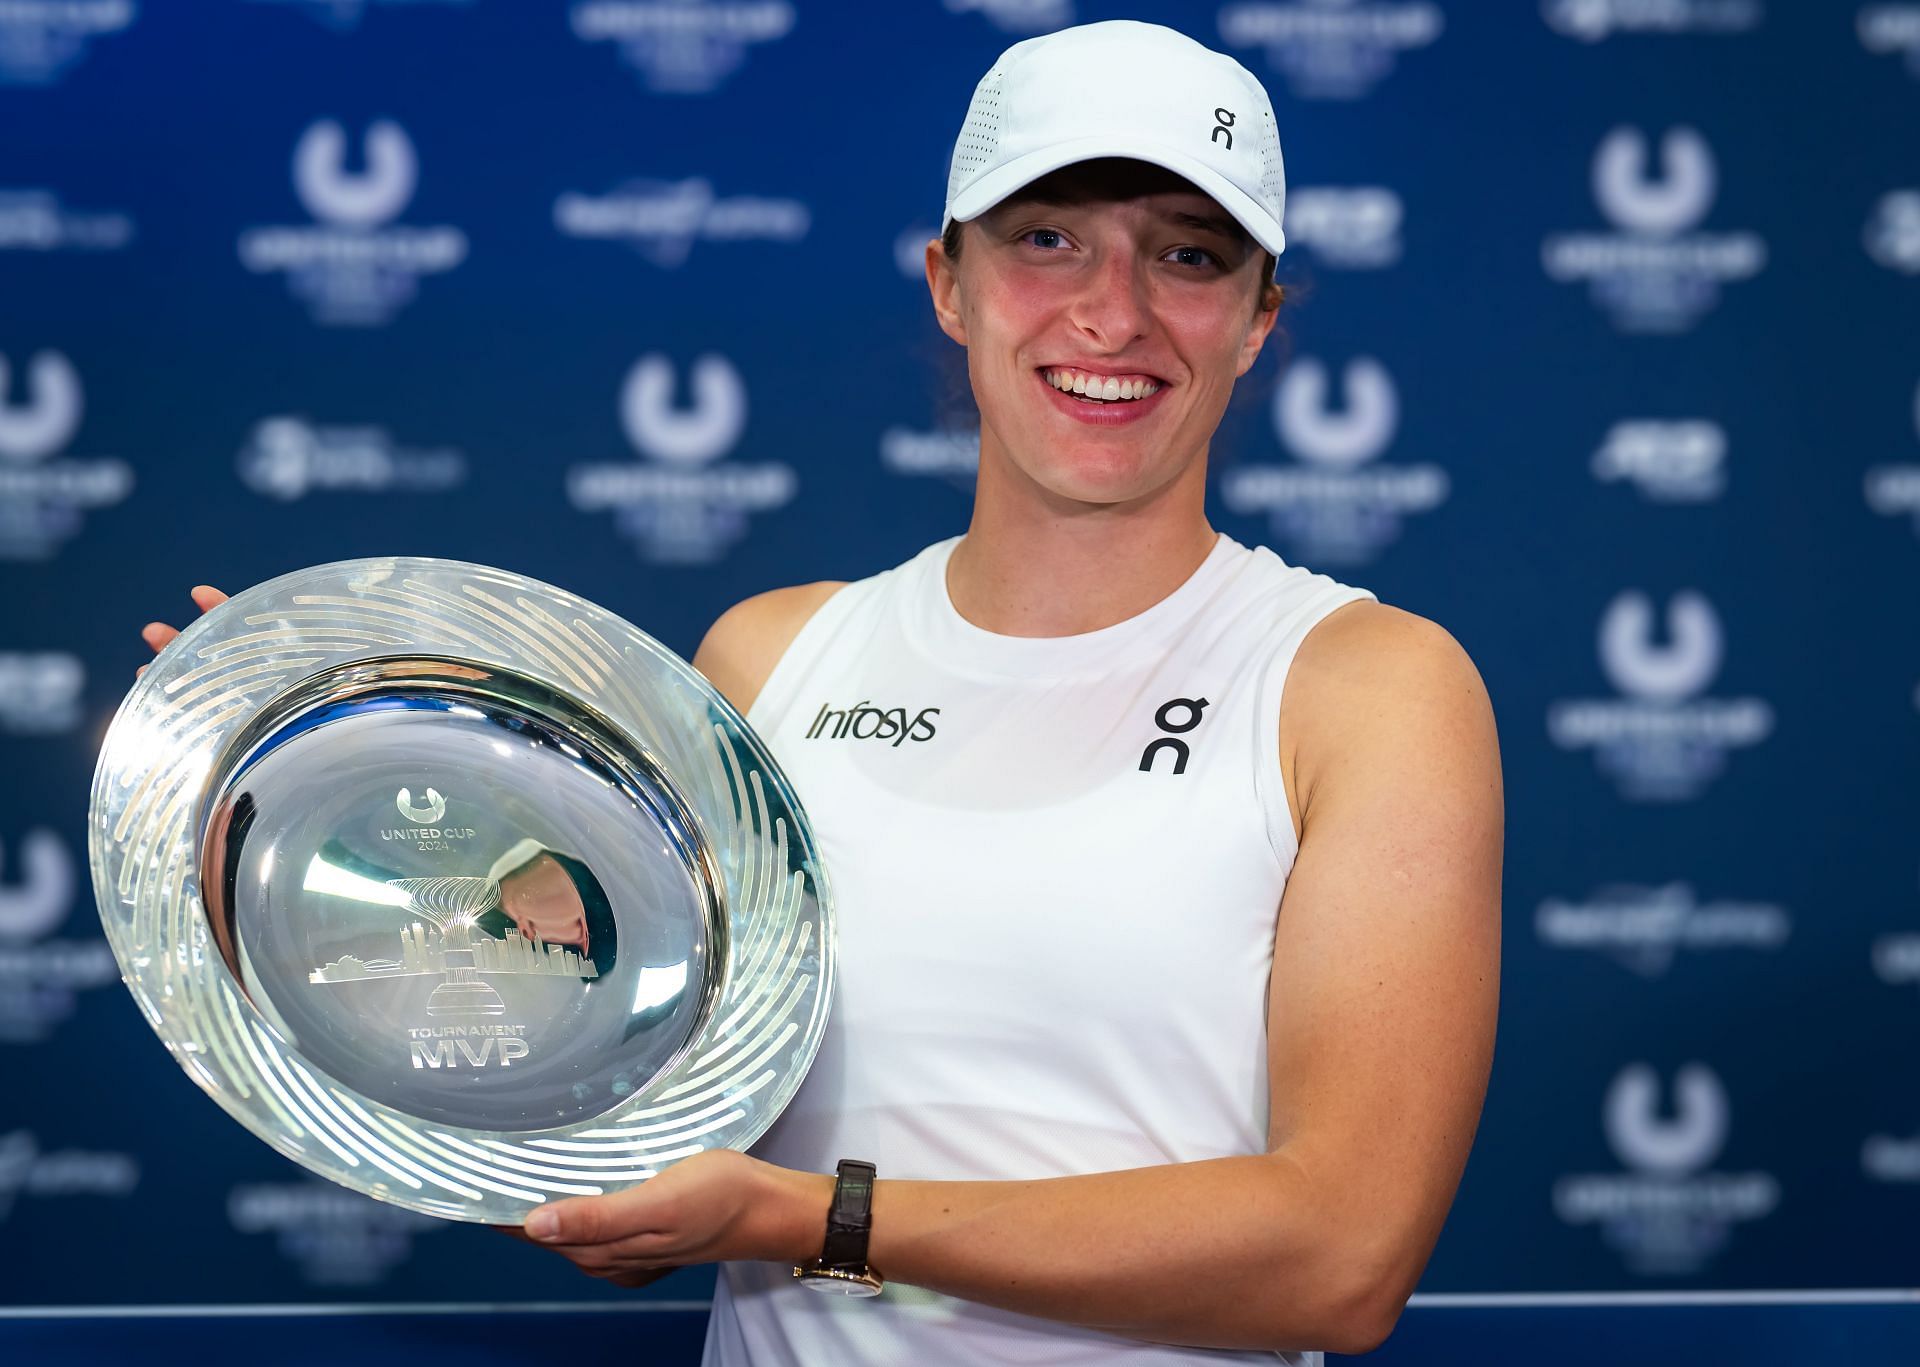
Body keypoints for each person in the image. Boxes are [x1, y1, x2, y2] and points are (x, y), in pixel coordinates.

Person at [141, 20, 1501, 1365]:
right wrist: (304, 891)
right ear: (948, 283)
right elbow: (634, 1179)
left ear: (1260, 320)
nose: (1113, 311)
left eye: (1189, 257)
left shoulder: (1366, 689)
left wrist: (817, 1219)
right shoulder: (770, 661)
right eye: (1046, 240)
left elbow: (1340, 1257)